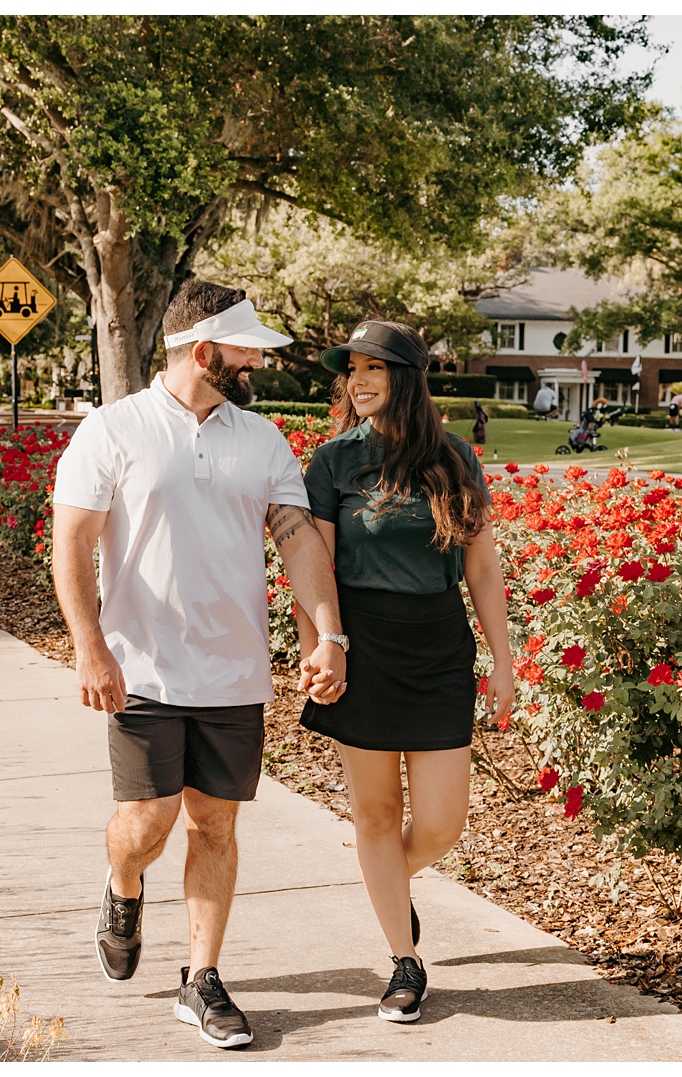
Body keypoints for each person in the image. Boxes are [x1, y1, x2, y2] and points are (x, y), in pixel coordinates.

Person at [52, 280, 345, 1050]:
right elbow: (73, 543)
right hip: (142, 669)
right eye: (246, 349)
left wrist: (328, 634)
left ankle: (201, 978)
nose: (258, 362)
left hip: (233, 673)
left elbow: (298, 540)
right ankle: (123, 888)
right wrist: (91, 646)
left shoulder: (262, 439)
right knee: (146, 825)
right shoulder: (113, 431)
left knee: (214, 823)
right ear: (205, 349)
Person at [295, 320, 515, 1023]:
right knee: (377, 813)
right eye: (350, 369)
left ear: (408, 379)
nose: (356, 381)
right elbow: (316, 568)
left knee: (444, 821)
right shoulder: (332, 462)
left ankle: (388, 880)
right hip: (365, 645)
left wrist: (504, 664)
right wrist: (323, 645)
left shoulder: (455, 457)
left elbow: (481, 565)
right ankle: (403, 959)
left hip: (439, 645)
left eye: (373, 369)